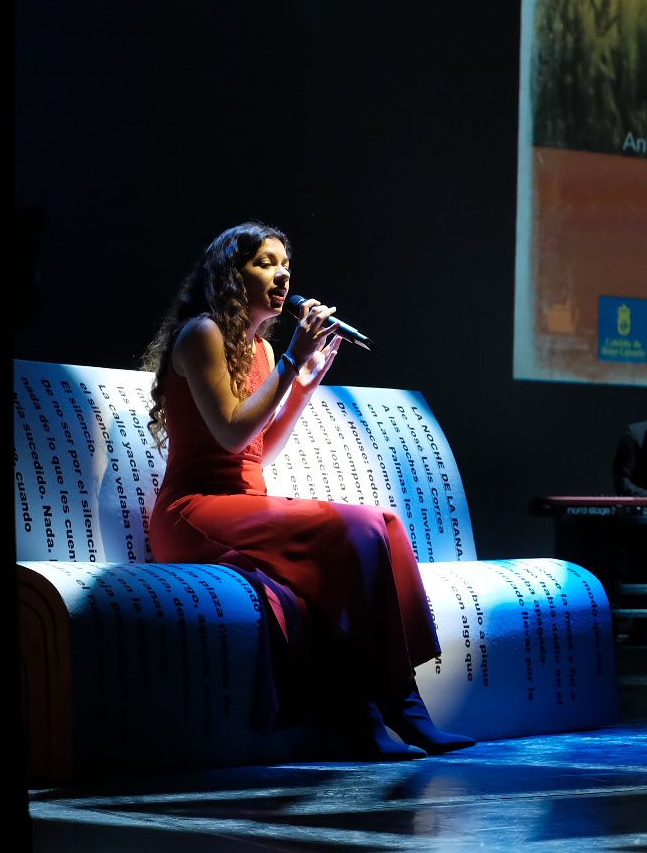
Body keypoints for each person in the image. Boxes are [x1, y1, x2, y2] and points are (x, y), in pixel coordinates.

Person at [143, 222, 472, 760]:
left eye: (285, 264)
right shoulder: (202, 333)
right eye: (266, 263)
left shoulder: (265, 354)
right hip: (194, 512)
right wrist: (294, 358)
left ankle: (401, 699)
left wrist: (304, 379)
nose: (283, 273)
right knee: (359, 526)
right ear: (233, 273)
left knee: (384, 524)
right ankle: (370, 711)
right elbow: (228, 434)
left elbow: (260, 451)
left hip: (243, 506)